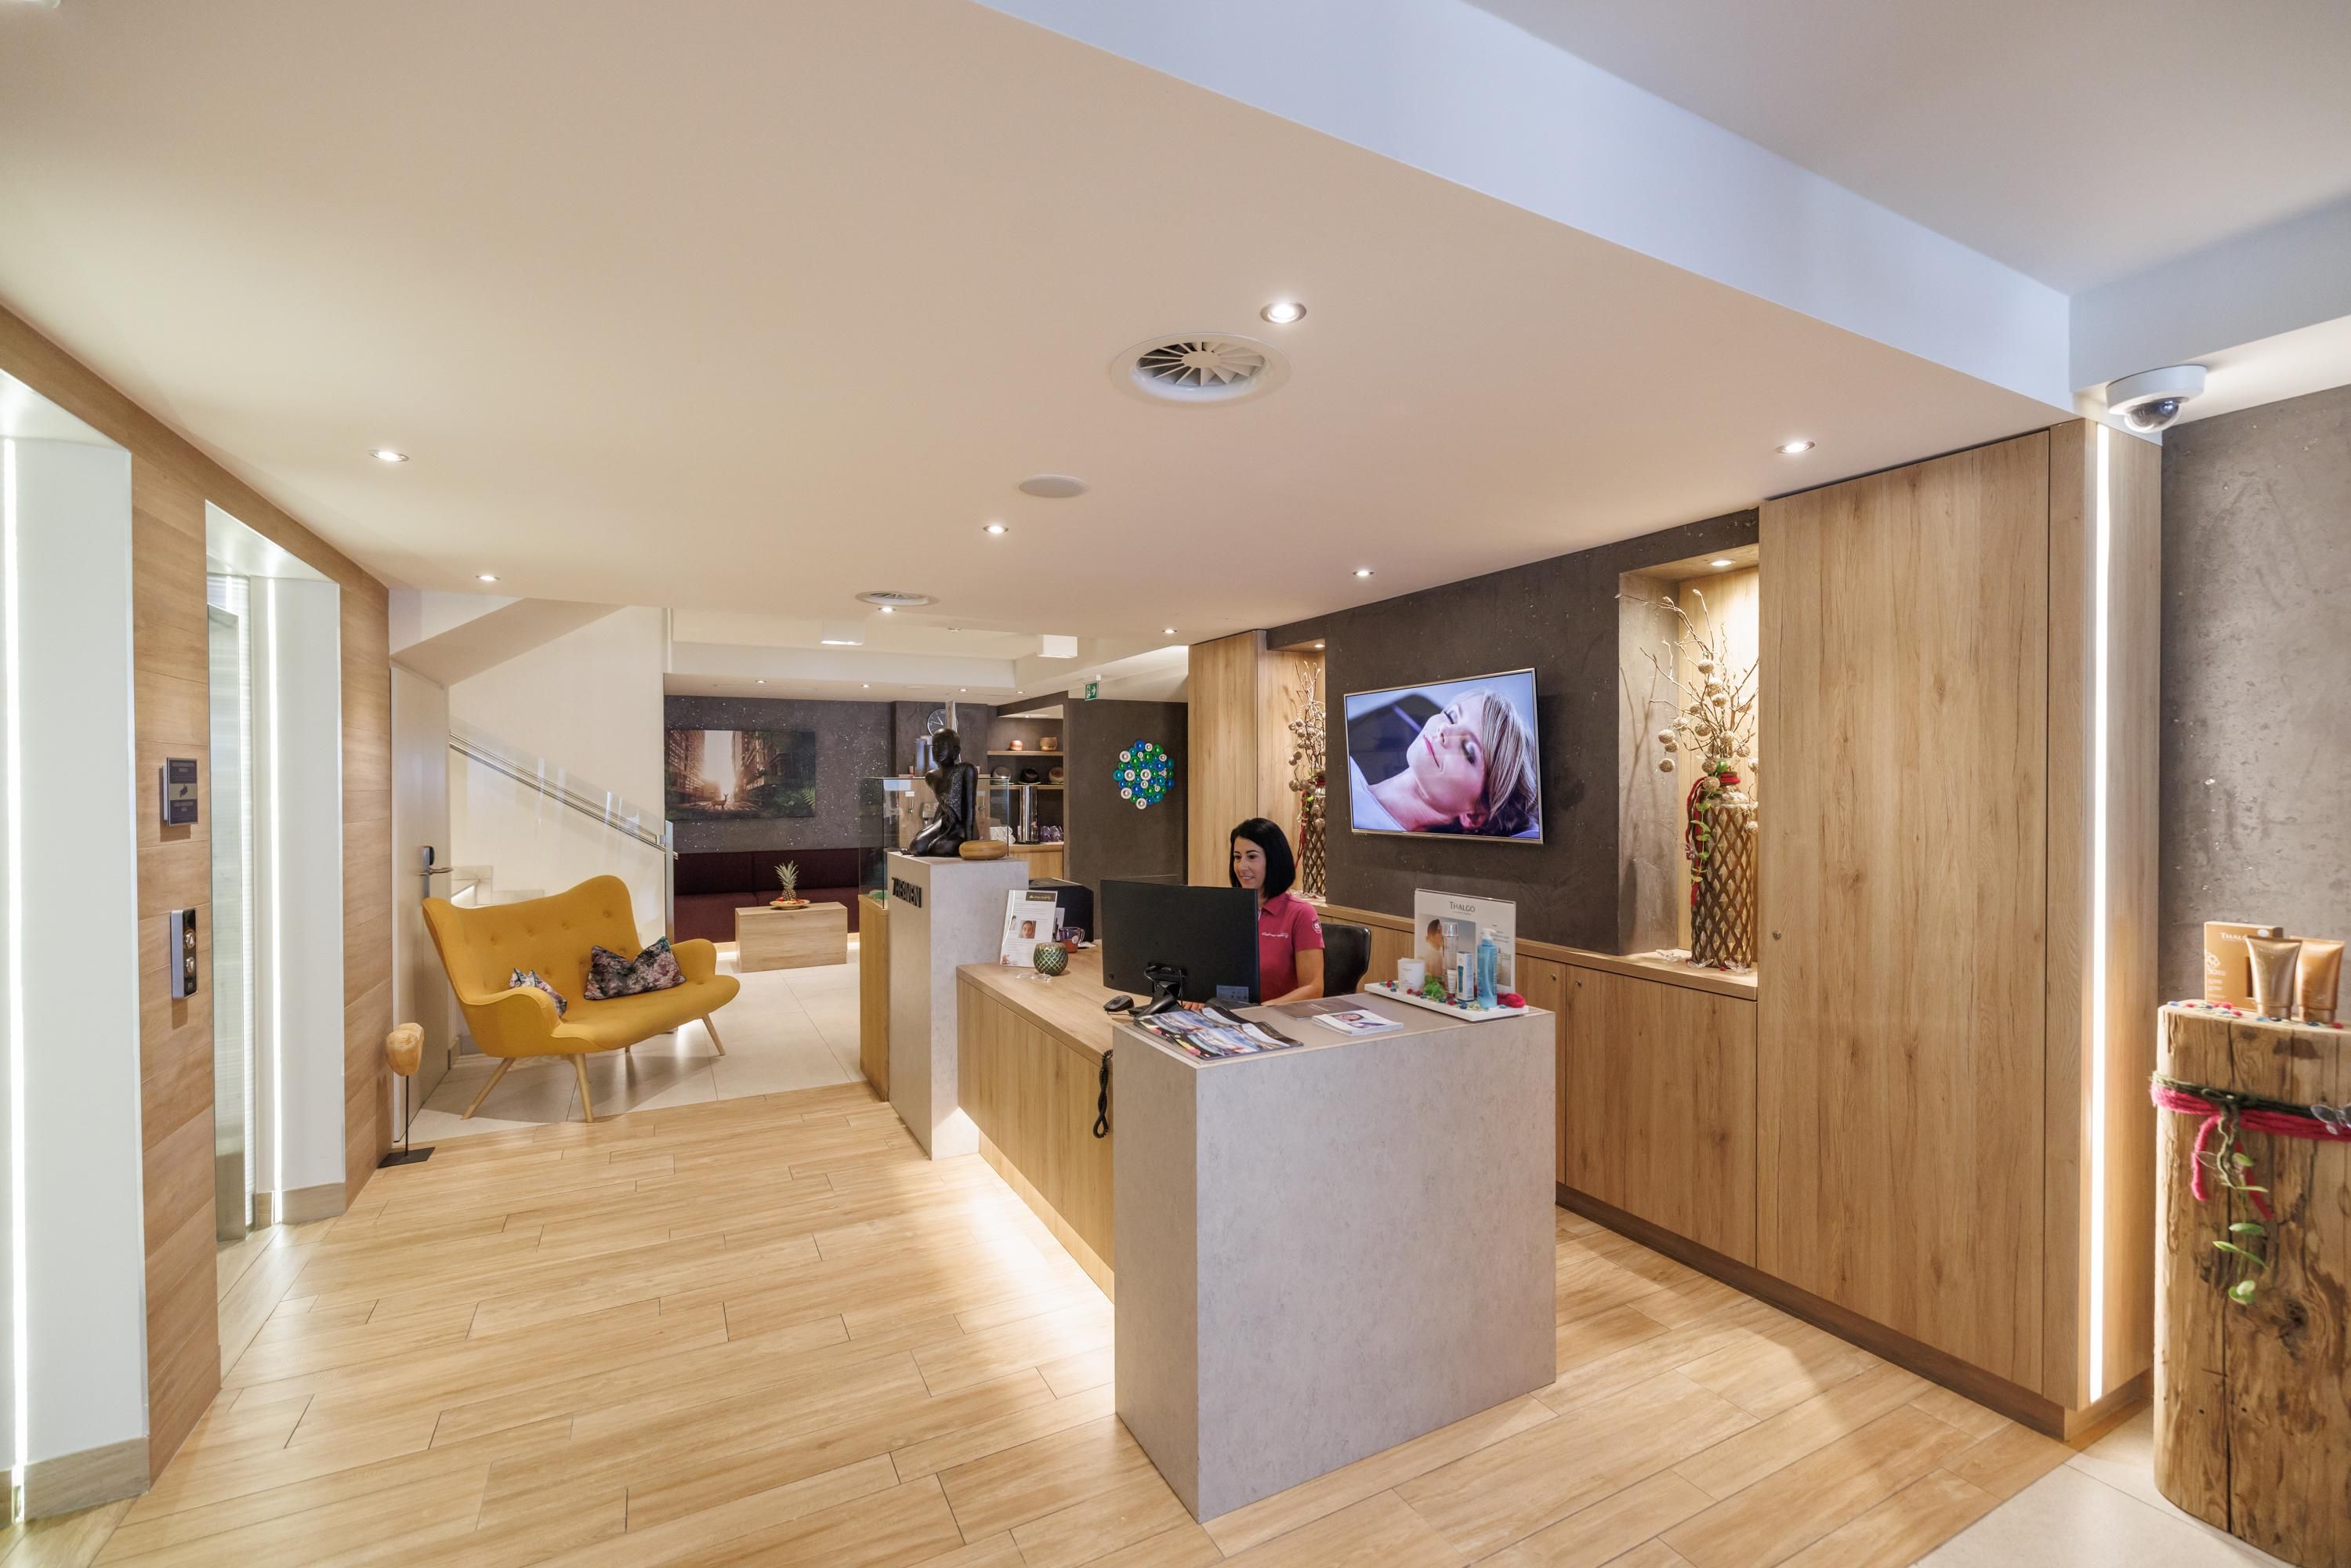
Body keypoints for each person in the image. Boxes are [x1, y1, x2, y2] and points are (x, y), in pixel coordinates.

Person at [1348, 688, 1540, 837]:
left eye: (1468, 751)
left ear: (1475, 816)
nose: (1444, 730)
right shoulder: (1344, 773)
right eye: (1451, 716)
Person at [1230, 817, 1323, 1004]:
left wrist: (1263, 1008)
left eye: (1252, 856)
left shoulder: (1301, 914)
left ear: (1273, 860)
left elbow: (1313, 989)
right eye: (1237, 857)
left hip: (1275, 1019)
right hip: (1225, 1013)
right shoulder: (1226, 909)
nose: (1242, 867)